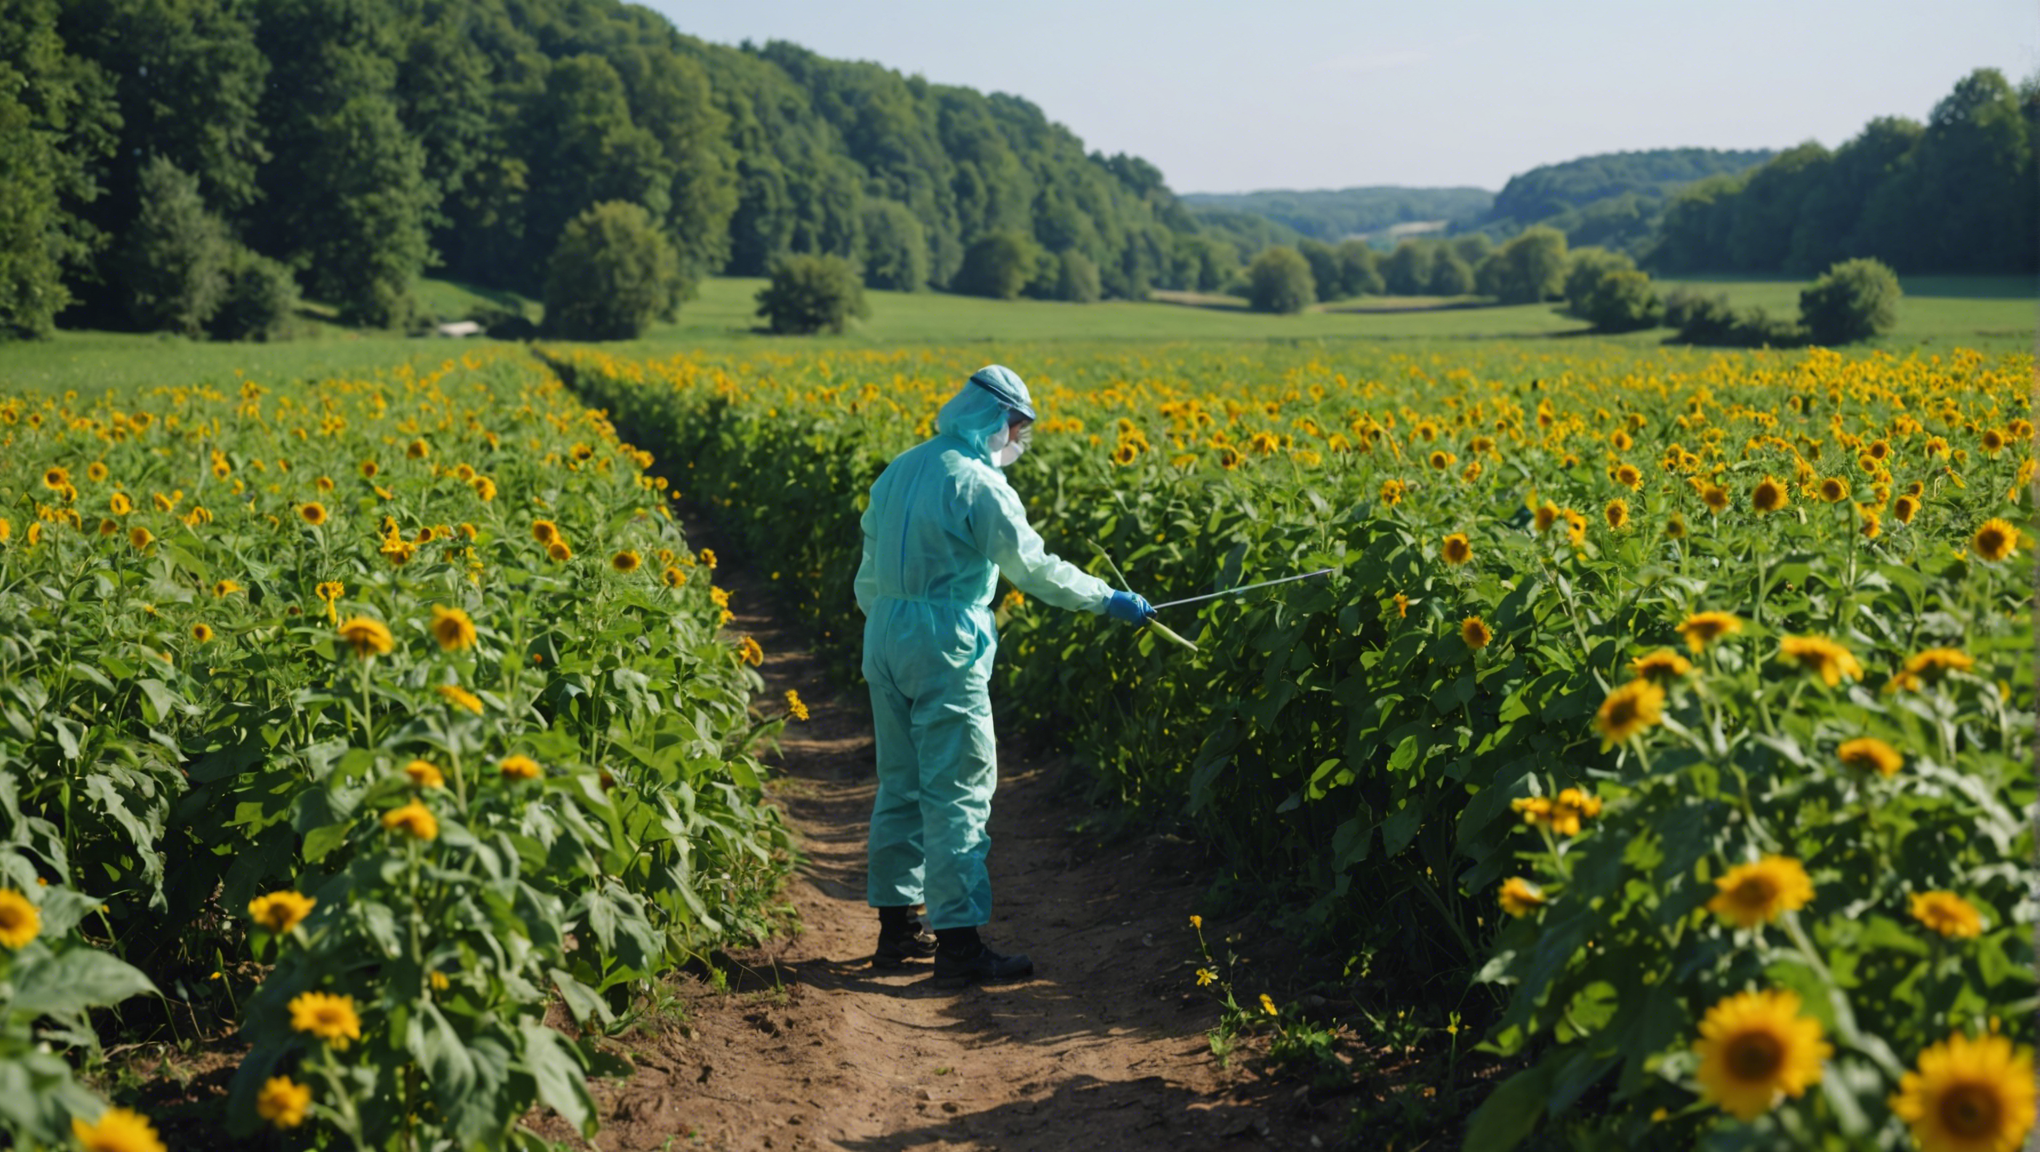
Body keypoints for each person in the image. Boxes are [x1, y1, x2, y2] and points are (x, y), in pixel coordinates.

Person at [855, 365, 1154, 988]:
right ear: (995, 420)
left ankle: (896, 932)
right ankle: (960, 947)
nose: (1018, 440)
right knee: (959, 788)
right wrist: (1106, 598)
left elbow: (867, 566)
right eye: (1017, 427)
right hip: (945, 643)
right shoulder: (978, 484)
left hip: (884, 632)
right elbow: (1034, 568)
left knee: (900, 784)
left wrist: (892, 621)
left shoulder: (903, 467)